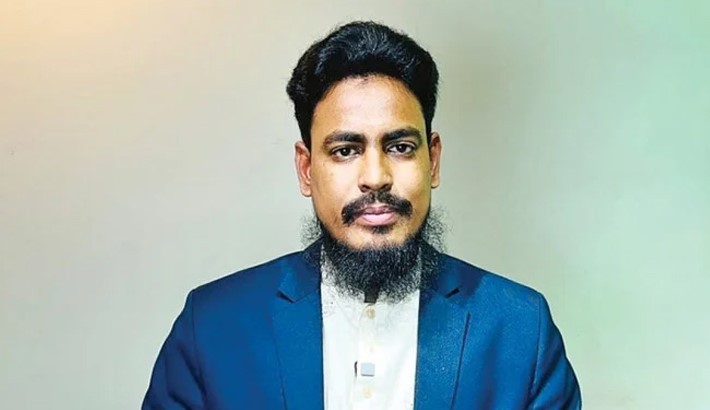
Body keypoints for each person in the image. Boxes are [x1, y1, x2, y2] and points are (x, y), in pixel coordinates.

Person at [142, 21, 581, 409]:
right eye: (345, 150)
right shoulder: (213, 327)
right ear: (306, 169)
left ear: (433, 161)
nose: (375, 177)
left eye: (400, 147)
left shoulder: (520, 330)